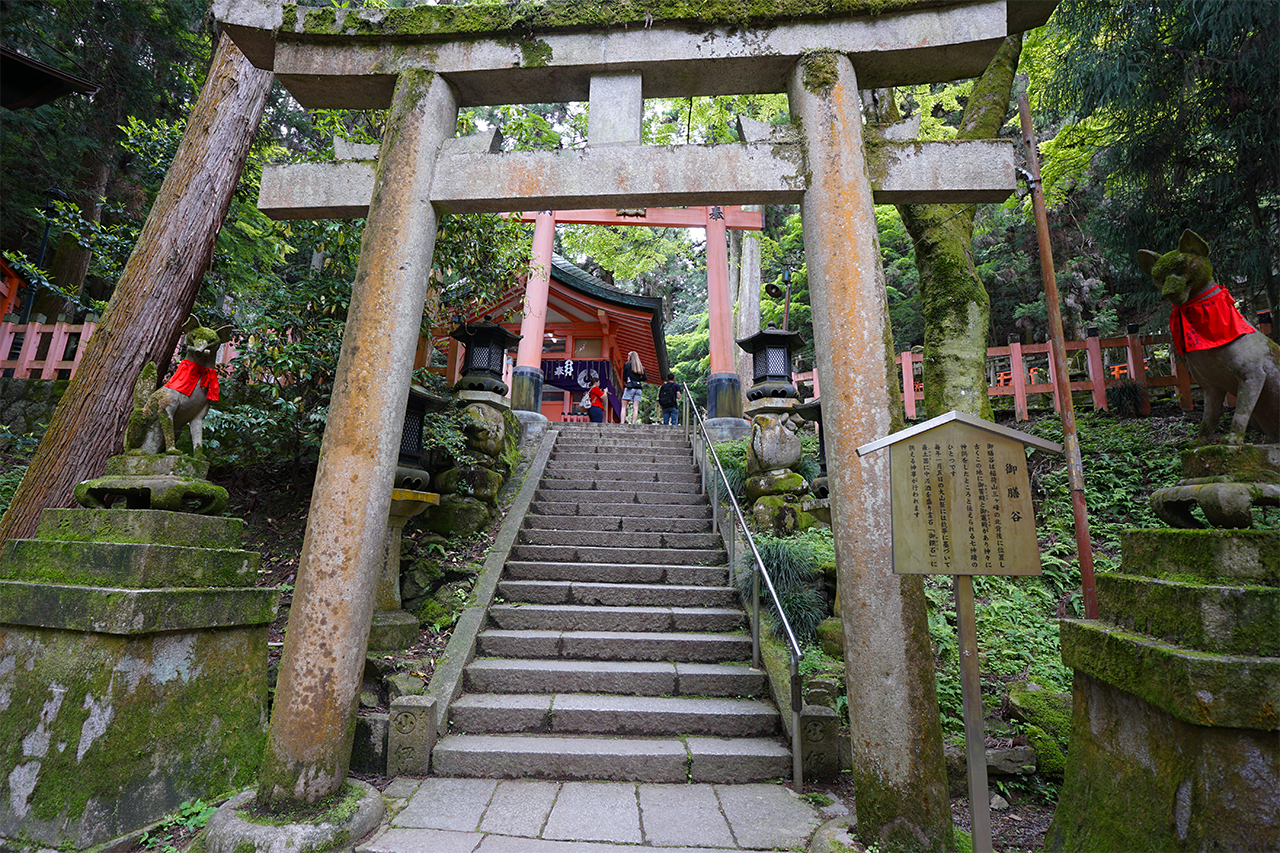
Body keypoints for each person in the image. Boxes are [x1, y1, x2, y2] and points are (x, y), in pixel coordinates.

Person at [621, 351, 646, 425]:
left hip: (630, 387)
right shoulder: (641, 367)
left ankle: (622, 422)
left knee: (624, 406)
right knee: (636, 407)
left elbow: (624, 377)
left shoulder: (627, 365)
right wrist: (638, 379)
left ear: (630, 357)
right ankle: (633, 423)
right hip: (638, 388)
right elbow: (645, 378)